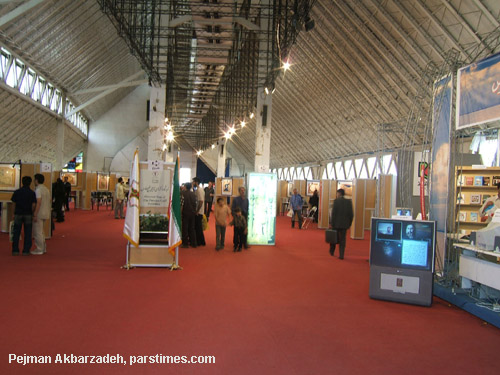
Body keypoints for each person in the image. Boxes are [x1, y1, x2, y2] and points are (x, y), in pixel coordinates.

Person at [11, 176, 37, 256]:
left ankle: (15, 250)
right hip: (28, 214)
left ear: (22, 182)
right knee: (28, 232)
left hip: (18, 213)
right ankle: (26, 250)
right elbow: (33, 205)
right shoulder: (32, 193)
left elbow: (14, 204)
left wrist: (13, 213)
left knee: (16, 232)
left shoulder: (17, 192)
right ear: (30, 183)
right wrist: (32, 213)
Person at [329, 188, 354, 260]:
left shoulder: (336, 201)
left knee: (334, 238)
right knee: (343, 240)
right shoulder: (349, 202)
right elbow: (351, 214)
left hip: (336, 223)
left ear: (339, 193)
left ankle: (332, 251)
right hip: (344, 224)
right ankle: (341, 254)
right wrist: (349, 224)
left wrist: (331, 223)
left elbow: (333, 213)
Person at [32, 174, 51, 255]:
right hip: (46, 212)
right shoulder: (46, 189)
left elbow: (38, 202)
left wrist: (35, 214)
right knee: (41, 231)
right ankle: (43, 248)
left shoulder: (38, 190)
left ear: (36, 180)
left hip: (39, 212)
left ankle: (39, 249)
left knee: (37, 232)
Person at [181, 182, 197, 248]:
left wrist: (180, 212)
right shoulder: (193, 194)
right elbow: (196, 203)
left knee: (185, 228)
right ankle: (193, 243)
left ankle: (185, 243)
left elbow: (182, 204)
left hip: (185, 212)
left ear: (185, 187)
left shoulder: (183, 194)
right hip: (192, 213)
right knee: (192, 228)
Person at [192, 177, 206, 246]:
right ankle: (201, 241)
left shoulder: (199, 190)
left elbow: (201, 201)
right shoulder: (198, 190)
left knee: (198, 227)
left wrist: (197, 211)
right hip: (199, 211)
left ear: (196, 182)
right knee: (198, 227)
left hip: (199, 212)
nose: (192, 183)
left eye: (193, 181)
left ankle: (200, 242)